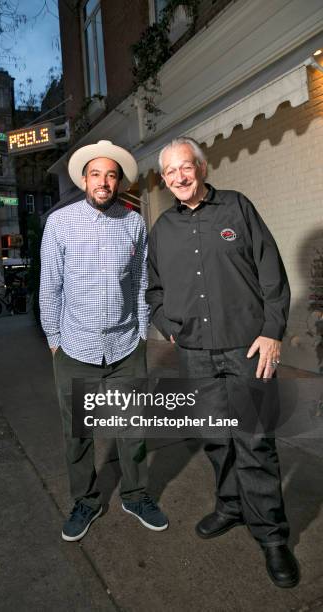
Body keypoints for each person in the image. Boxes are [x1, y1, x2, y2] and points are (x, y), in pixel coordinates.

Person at [146, 136, 299, 588]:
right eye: (170, 172)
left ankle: (271, 537)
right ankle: (231, 506)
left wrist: (272, 331)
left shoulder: (238, 208)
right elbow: (152, 290)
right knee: (216, 438)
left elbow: (272, 272)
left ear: (202, 167)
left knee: (255, 440)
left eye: (185, 167)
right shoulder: (162, 231)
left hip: (247, 348)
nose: (178, 177)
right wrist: (167, 326)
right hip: (195, 353)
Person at [40, 140, 168, 542]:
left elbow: (141, 282)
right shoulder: (59, 224)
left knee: (132, 429)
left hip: (126, 348)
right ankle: (86, 501)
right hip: (75, 348)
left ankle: (136, 494)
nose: (104, 182)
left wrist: (142, 333)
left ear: (117, 181)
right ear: (83, 179)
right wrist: (54, 339)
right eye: (96, 174)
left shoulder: (132, 223)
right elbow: (50, 287)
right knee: (78, 434)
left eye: (111, 175)